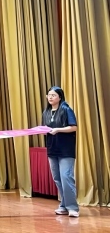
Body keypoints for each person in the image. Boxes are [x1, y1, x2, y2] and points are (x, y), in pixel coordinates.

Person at [42, 86, 79, 217]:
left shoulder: (66, 109)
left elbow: (73, 127)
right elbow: (45, 128)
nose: (50, 97)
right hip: (52, 148)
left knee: (66, 177)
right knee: (57, 178)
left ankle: (72, 207)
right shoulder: (46, 112)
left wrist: (58, 130)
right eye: (49, 95)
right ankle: (63, 205)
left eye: (53, 95)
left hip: (65, 149)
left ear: (60, 97)